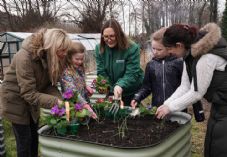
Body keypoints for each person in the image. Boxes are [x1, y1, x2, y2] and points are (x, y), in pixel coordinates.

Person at [155, 23, 227, 157]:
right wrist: (167, 104)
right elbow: (185, 86)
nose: (169, 53)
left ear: (179, 45)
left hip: (225, 107)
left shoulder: (206, 57)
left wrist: (170, 108)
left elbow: (196, 93)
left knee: (221, 149)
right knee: (212, 144)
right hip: (219, 106)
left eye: (169, 49)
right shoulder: (189, 56)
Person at [0, 28, 72, 157]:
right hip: (15, 101)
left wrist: (59, 99)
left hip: (31, 99)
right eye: (62, 50)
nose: (64, 54)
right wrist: (56, 102)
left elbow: (48, 85)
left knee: (34, 138)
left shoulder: (48, 57)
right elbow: (28, 93)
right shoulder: (25, 57)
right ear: (51, 47)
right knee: (24, 142)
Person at [131, 27, 183, 109]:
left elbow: (186, 87)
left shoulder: (179, 63)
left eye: (159, 49)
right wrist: (137, 98)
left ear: (169, 47)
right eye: (153, 48)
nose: (155, 52)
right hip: (157, 108)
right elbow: (146, 87)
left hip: (177, 108)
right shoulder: (151, 65)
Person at [95, 19, 144, 106]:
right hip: (112, 92)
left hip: (130, 91)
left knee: (131, 116)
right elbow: (101, 72)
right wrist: (109, 88)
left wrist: (120, 85)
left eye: (112, 36)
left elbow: (132, 73)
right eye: (105, 36)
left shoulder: (132, 48)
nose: (109, 40)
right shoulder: (99, 49)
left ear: (119, 35)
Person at [60, 42, 97, 119]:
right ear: (69, 57)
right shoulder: (66, 72)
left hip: (83, 100)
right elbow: (72, 90)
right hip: (72, 105)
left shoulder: (79, 68)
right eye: (77, 59)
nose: (80, 61)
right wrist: (84, 104)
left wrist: (86, 87)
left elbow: (79, 81)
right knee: (75, 122)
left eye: (82, 59)